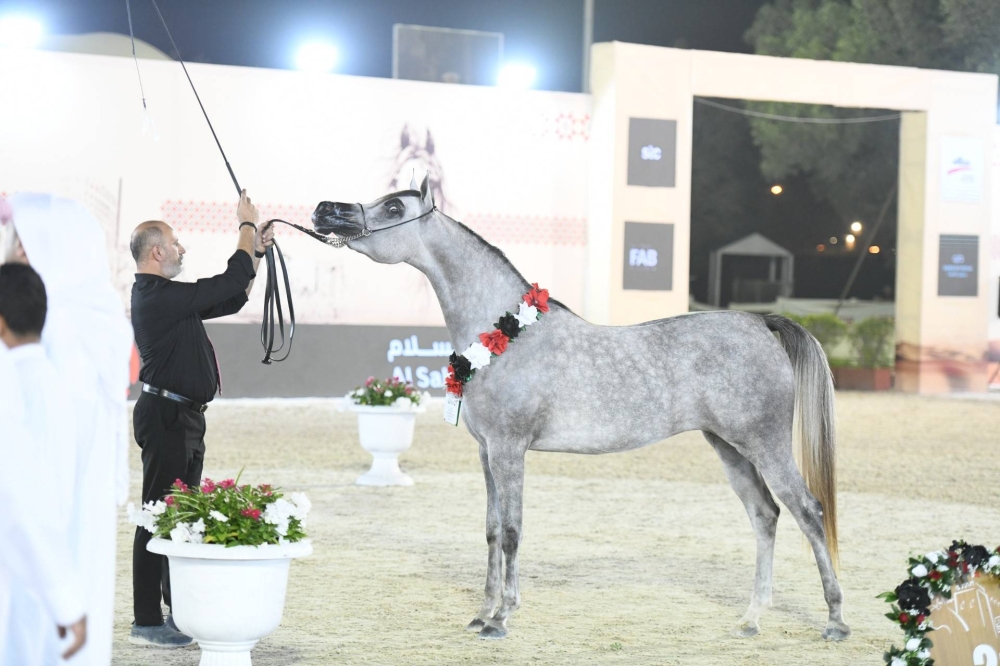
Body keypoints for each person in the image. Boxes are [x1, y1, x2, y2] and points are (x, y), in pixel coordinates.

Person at [128, 190, 274, 647]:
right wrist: (245, 226)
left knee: (179, 517)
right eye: (175, 243)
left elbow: (232, 297)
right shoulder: (156, 296)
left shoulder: (168, 297)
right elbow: (228, 282)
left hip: (183, 417)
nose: (181, 248)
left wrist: (255, 253)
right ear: (157, 252)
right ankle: (146, 620)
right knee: (157, 516)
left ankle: (176, 612)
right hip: (167, 417)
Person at [4, 193, 135, 665]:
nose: (13, 252)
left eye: (20, 242)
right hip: (64, 515)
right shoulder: (91, 318)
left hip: (47, 519)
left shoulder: (58, 330)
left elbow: (29, 467)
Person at [0, 262, 88, 664]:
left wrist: (60, 595)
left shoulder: (18, 388)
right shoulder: (58, 388)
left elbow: (24, 499)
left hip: (23, 575)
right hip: (34, 572)